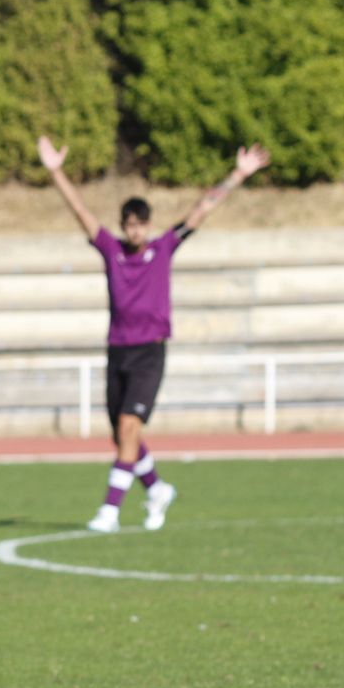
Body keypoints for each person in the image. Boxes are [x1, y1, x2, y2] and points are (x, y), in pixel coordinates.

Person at [38, 135, 270, 532]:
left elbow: (201, 210)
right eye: (129, 225)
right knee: (122, 435)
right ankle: (157, 488)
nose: (135, 232)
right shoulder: (111, 250)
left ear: (148, 225)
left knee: (130, 427)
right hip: (117, 350)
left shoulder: (162, 249)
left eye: (141, 225)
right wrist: (56, 171)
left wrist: (238, 174)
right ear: (123, 226)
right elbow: (80, 210)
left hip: (150, 351)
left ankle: (110, 510)